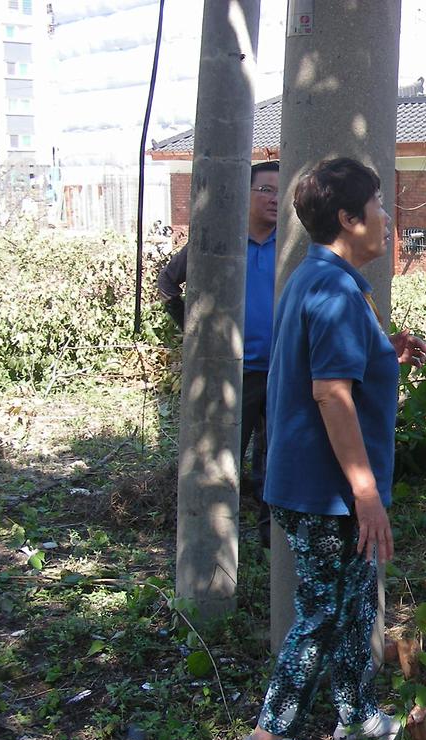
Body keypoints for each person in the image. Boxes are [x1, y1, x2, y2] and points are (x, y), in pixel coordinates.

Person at [240, 157, 426, 740]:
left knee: (352, 607)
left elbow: (340, 368)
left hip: (320, 486)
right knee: (322, 612)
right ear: (349, 219)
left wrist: (388, 352)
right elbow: (331, 395)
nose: (387, 219)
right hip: (326, 491)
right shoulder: (333, 287)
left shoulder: (322, 278)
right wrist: (367, 493)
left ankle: (357, 716)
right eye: (377, 207)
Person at [157, 160, 279, 544]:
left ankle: (268, 538)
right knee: (224, 455)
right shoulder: (218, 242)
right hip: (233, 371)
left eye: (282, 191)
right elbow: (167, 282)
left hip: (280, 369)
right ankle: (212, 542)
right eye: (266, 190)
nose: (276, 199)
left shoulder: (292, 243)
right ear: (246, 193)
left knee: (274, 458)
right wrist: (193, 332)